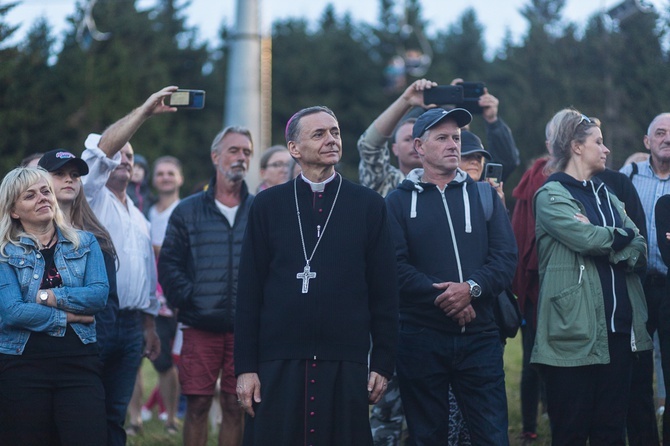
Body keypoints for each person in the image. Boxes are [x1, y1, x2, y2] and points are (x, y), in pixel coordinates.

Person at [234, 105, 398, 445]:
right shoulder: (267, 206)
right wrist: (245, 367)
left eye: (335, 132)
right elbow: (249, 293)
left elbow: (385, 292)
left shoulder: (368, 205)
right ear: (294, 148)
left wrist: (382, 362)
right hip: (278, 360)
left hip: (345, 358)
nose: (331, 140)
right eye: (319, 134)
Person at [385, 107, 516, 445]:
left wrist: (471, 290)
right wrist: (449, 298)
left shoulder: (485, 195)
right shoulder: (396, 203)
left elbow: (505, 259)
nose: (452, 144)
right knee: (427, 436)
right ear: (418, 146)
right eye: (441, 138)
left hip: (481, 337)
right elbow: (394, 268)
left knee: (492, 436)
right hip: (420, 337)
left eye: (456, 138)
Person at [357, 78, 471, 446]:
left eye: (449, 138)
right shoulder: (386, 183)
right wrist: (407, 100)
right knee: (387, 409)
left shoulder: (459, 187)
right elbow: (367, 145)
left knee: (437, 417)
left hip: (449, 316)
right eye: (406, 138)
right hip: (392, 313)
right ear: (404, 147)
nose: (412, 143)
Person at [532, 109, 651, 445]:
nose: (606, 149)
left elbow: (638, 242)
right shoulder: (551, 194)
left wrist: (608, 238)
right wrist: (616, 238)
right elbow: (584, 239)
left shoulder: (606, 193)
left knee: (611, 431)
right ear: (576, 146)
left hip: (619, 333)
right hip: (574, 332)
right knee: (571, 431)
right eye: (599, 142)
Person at [81, 87, 174, 445]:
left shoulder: (140, 216)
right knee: (88, 406)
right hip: (97, 316)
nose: (124, 158)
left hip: (133, 323)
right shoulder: (90, 197)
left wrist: (149, 325)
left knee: (116, 412)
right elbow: (102, 149)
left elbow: (147, 276)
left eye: (131, 155)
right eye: (120, 152)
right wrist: (144, 112)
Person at [158, 126, 254, 446]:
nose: (241, 157)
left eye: (246, 152)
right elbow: (169, 264)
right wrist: (191, 300)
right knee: (197, 405)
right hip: (200, 325)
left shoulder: (259, 210)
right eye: (234, 150)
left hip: (245, 328)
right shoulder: (187, 210)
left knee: (235, 404)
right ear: (216, 157)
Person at [0, 167, 109, 445]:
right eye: (30, 195)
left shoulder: (85, 243)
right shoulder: (3, 253)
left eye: (46, 191)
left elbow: (98, 296)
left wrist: (47, 297)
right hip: (22, 366)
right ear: (14, 211)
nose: (43, 198)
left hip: (79, 362)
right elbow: (12, 311)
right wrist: (72, 316)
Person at [620, 112, 670, 444]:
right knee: (636, 372)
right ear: (647, 142)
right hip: (634, 286)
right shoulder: (630, 175)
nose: (667, 138)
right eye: (661, 132)